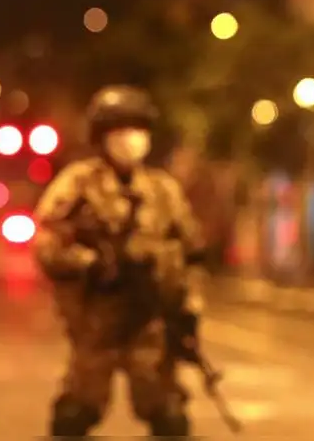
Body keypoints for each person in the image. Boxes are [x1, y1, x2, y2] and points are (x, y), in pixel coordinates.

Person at [32, 84, 204, 437]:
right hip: (97, 319)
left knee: (168, 415)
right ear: (101, 137)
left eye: (138, 130)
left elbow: (191, 252)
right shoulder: (79, 183)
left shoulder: (162, 189)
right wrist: (90, 262)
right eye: (120, 130)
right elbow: (46, 243)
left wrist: (188, 308)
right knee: (75, 413)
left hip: (150, 321)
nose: (131, 139)